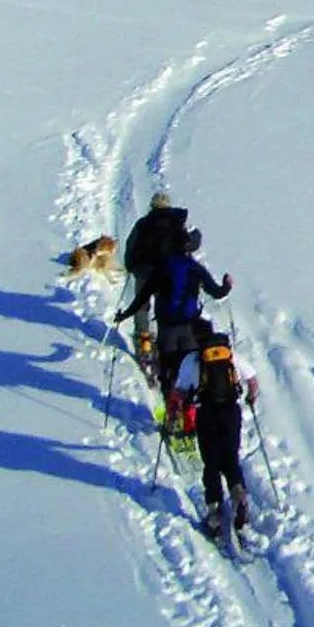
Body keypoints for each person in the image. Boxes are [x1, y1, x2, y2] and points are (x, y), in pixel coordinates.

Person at [113, 225, 231, 424]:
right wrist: (227, 284)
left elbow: (142, 299)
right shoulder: (195, 268)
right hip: (190, 329)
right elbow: (218, 292)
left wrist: (123, 315)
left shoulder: (161, 267)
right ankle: (190, 417)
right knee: (190, 372)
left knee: (168, 371)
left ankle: (172, 414)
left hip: (167, 328)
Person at [174, 327, 258, 533]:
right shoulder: (230, 355)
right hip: (231, 411)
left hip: (206, 413)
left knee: (210, 461)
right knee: (230, 456)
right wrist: (251, 396)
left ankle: (214, 512)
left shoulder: (192, 360)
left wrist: (176, 409)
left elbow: (179, 391)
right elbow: (252, 379)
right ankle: (238, 495)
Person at [118, 192, 189, 359]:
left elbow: (131, 245)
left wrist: (131, 266)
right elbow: (186, 244)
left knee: (141, 306)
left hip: (144, 272)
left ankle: (144, 341)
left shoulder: (142, 223)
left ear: (152, 206)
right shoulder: (176, 222)